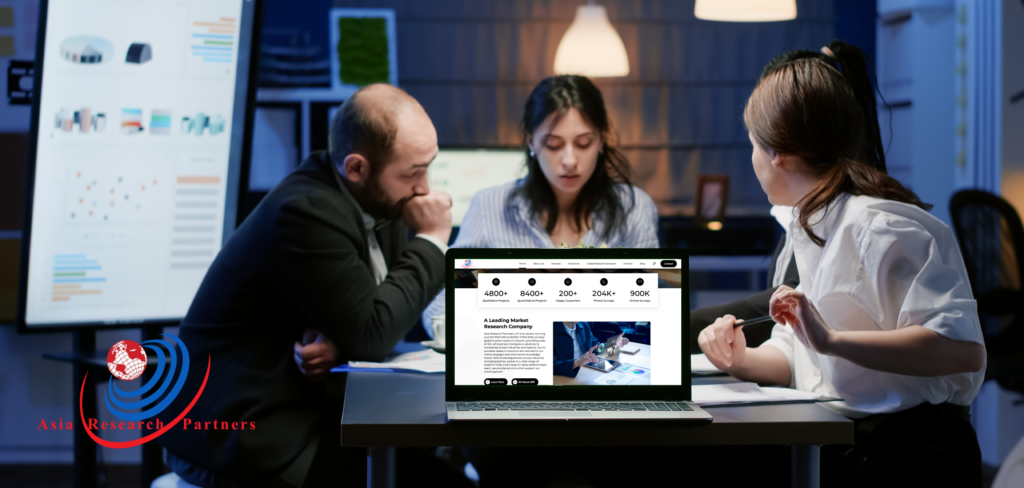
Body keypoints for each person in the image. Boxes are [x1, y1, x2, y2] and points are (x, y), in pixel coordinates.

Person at [155, 84, 470, 488]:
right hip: (245, 429)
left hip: (312, 408)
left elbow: (387, 313)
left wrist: (345, 340)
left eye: (428, 167)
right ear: (355, 168)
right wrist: (430, 238)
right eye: (412, 173)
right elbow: (377, 330)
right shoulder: (304, 211)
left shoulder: (379, 200)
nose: (425, 187)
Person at [698, 54, 987, 486]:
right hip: (841, 438)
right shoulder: (805, 227)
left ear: (778, 153)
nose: (753, 158)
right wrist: (742, 360)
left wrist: (832, 340)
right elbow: (799, 360)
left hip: (907, 453)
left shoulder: (885, 228)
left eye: (754, 145)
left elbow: (961, 351)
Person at [689, 40, 891, 352]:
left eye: (758, 139)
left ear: (781, 146)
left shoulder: (870, 225)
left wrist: (669, 328)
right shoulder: (806, 214)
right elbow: (788, 343)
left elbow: (956, 353)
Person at [421, 75, 659, 334]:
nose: (569, 160)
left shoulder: (635, 208)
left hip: (602, 366)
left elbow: (653, 319)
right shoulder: (489, 206)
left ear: (601, 140)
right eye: (553, 144)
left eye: (583, 144)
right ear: (532, 142)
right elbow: (439, 313)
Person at [552, 321, 628, 378]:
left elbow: (596, 348)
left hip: (586, 373)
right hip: (565, 378)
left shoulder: (584, 325)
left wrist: (614, 346)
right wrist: (575, 363)